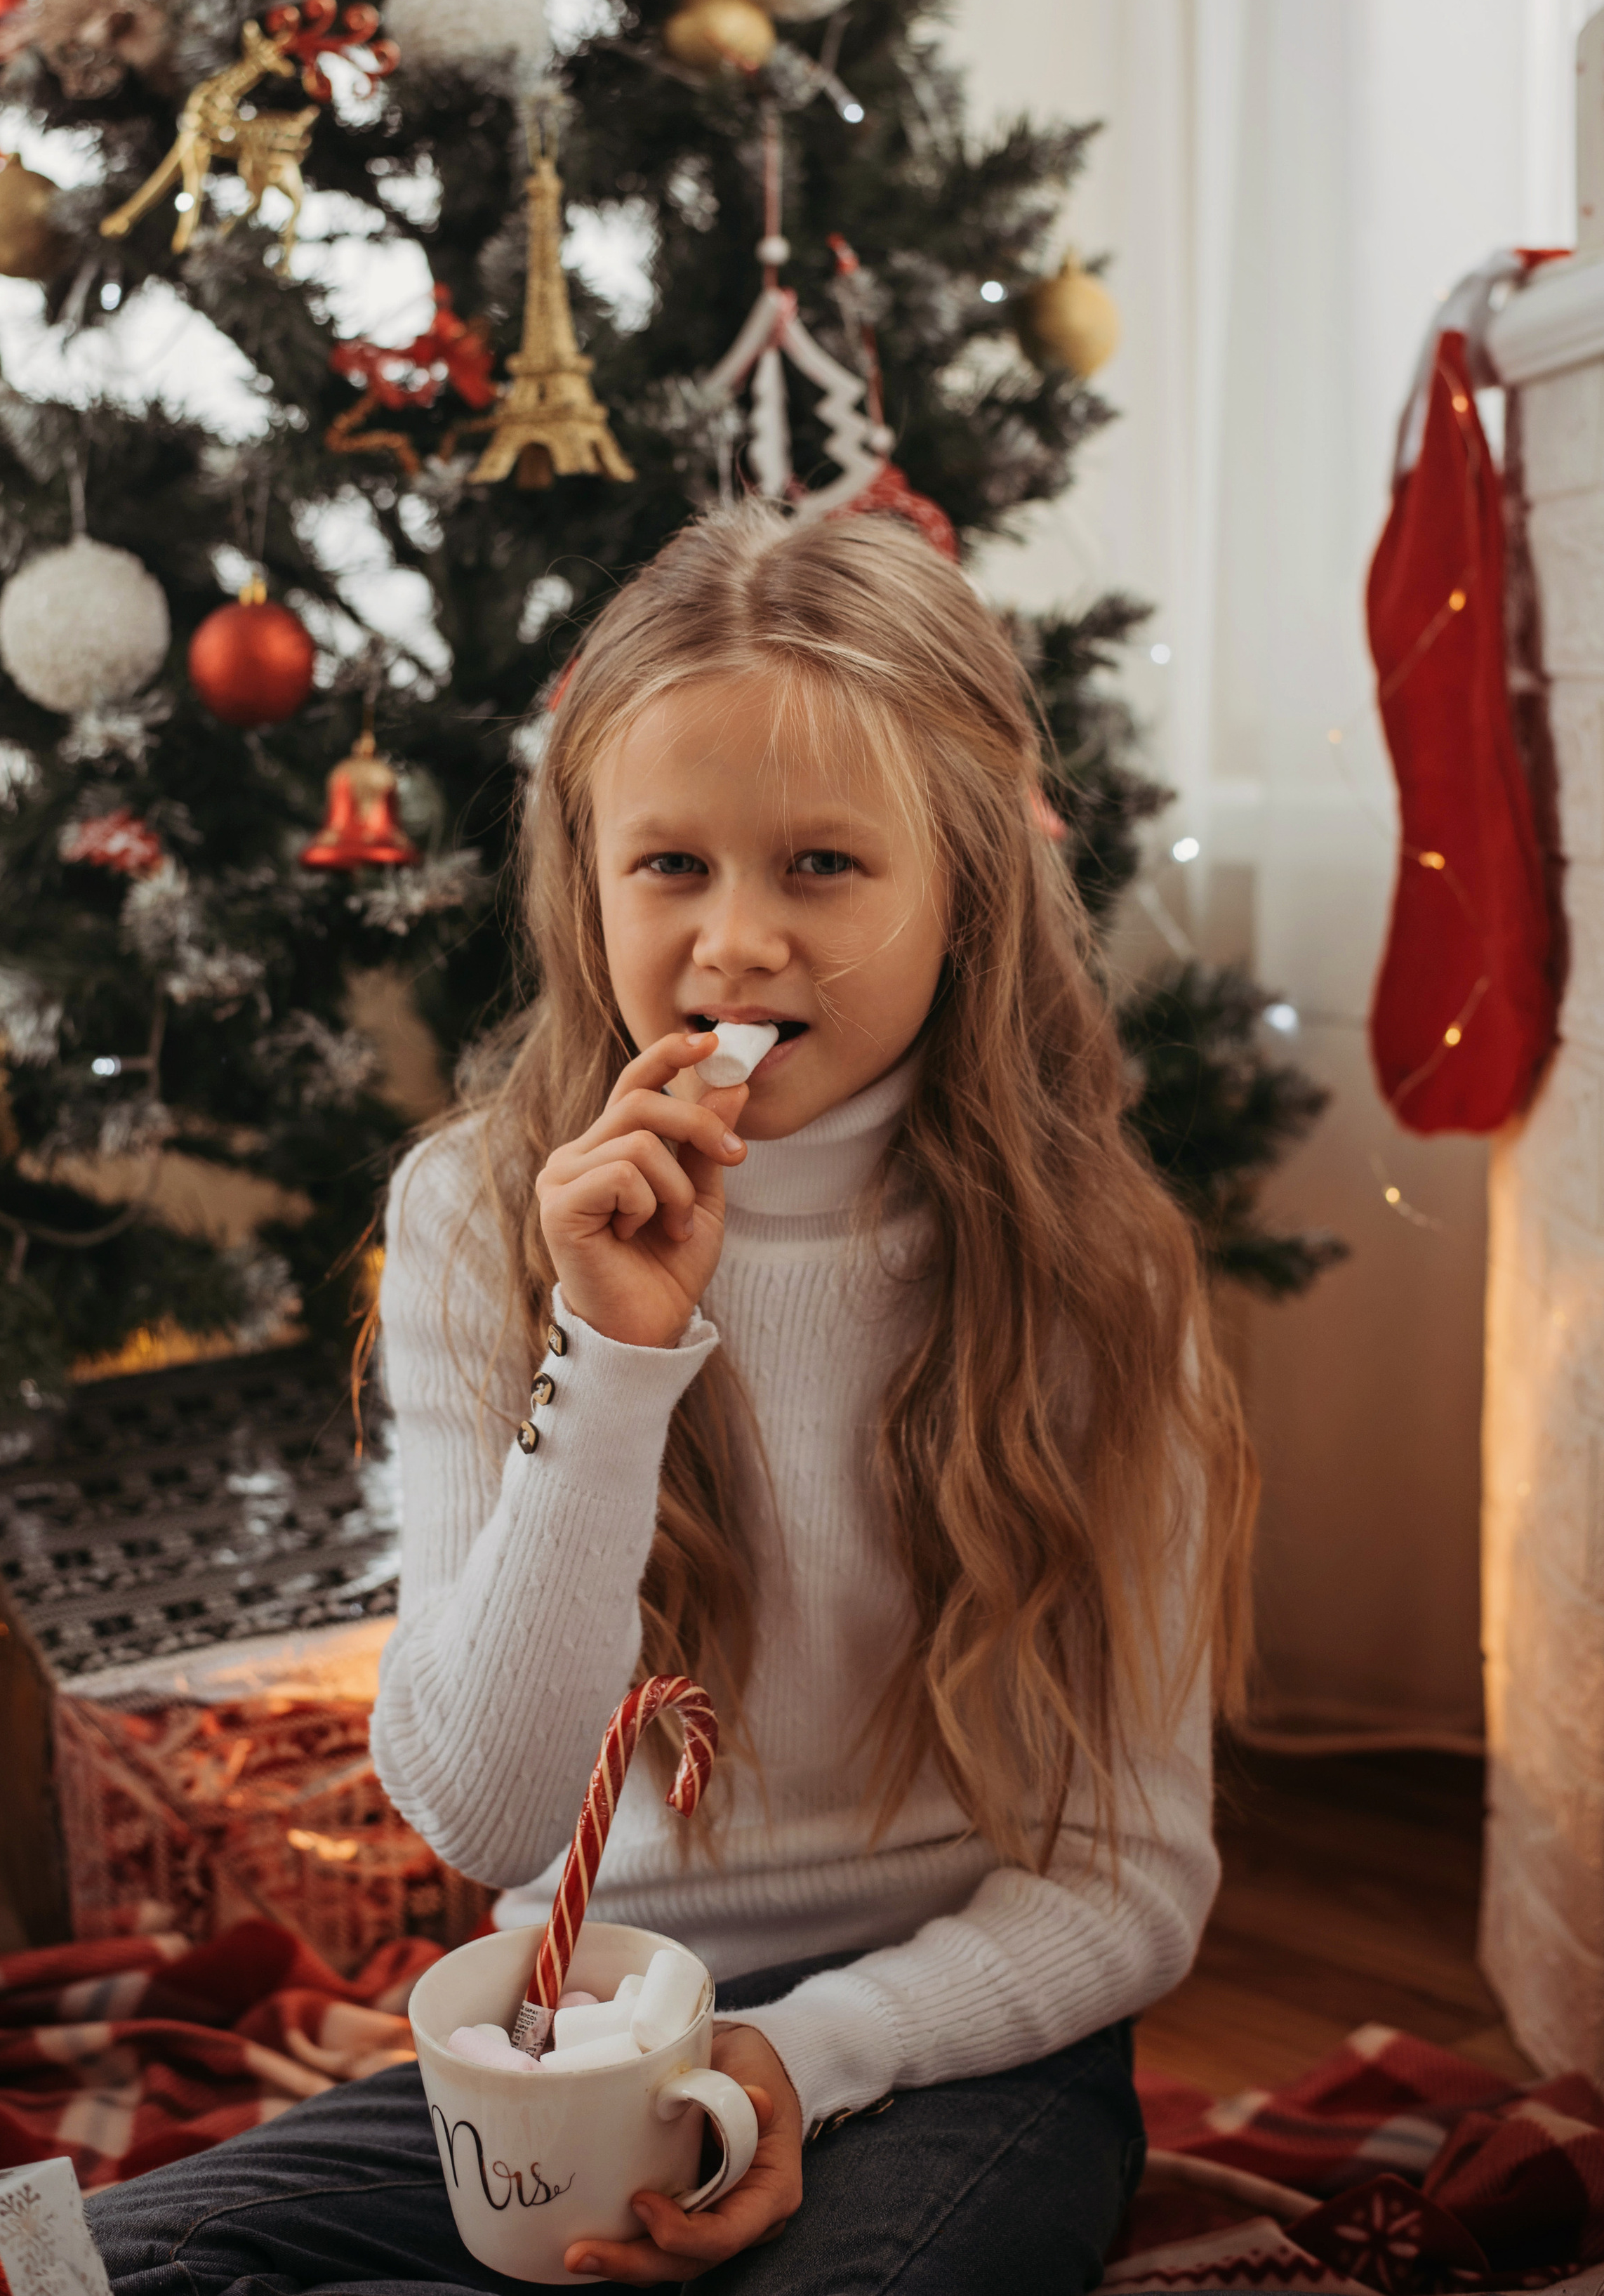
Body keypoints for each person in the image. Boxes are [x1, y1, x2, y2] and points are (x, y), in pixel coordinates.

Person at [88, 504, 1254, 2296]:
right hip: (587, 2015)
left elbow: (1129, 1884)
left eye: (821, 866)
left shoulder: (1093, 1274)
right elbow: (490, 1818)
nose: (734, 945)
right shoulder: (476, 1212)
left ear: (964, 887)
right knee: (100, 2263)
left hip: (951, 2039)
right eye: (670, 867)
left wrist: (798, 2060)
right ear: (586, 882)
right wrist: (614, 1356)